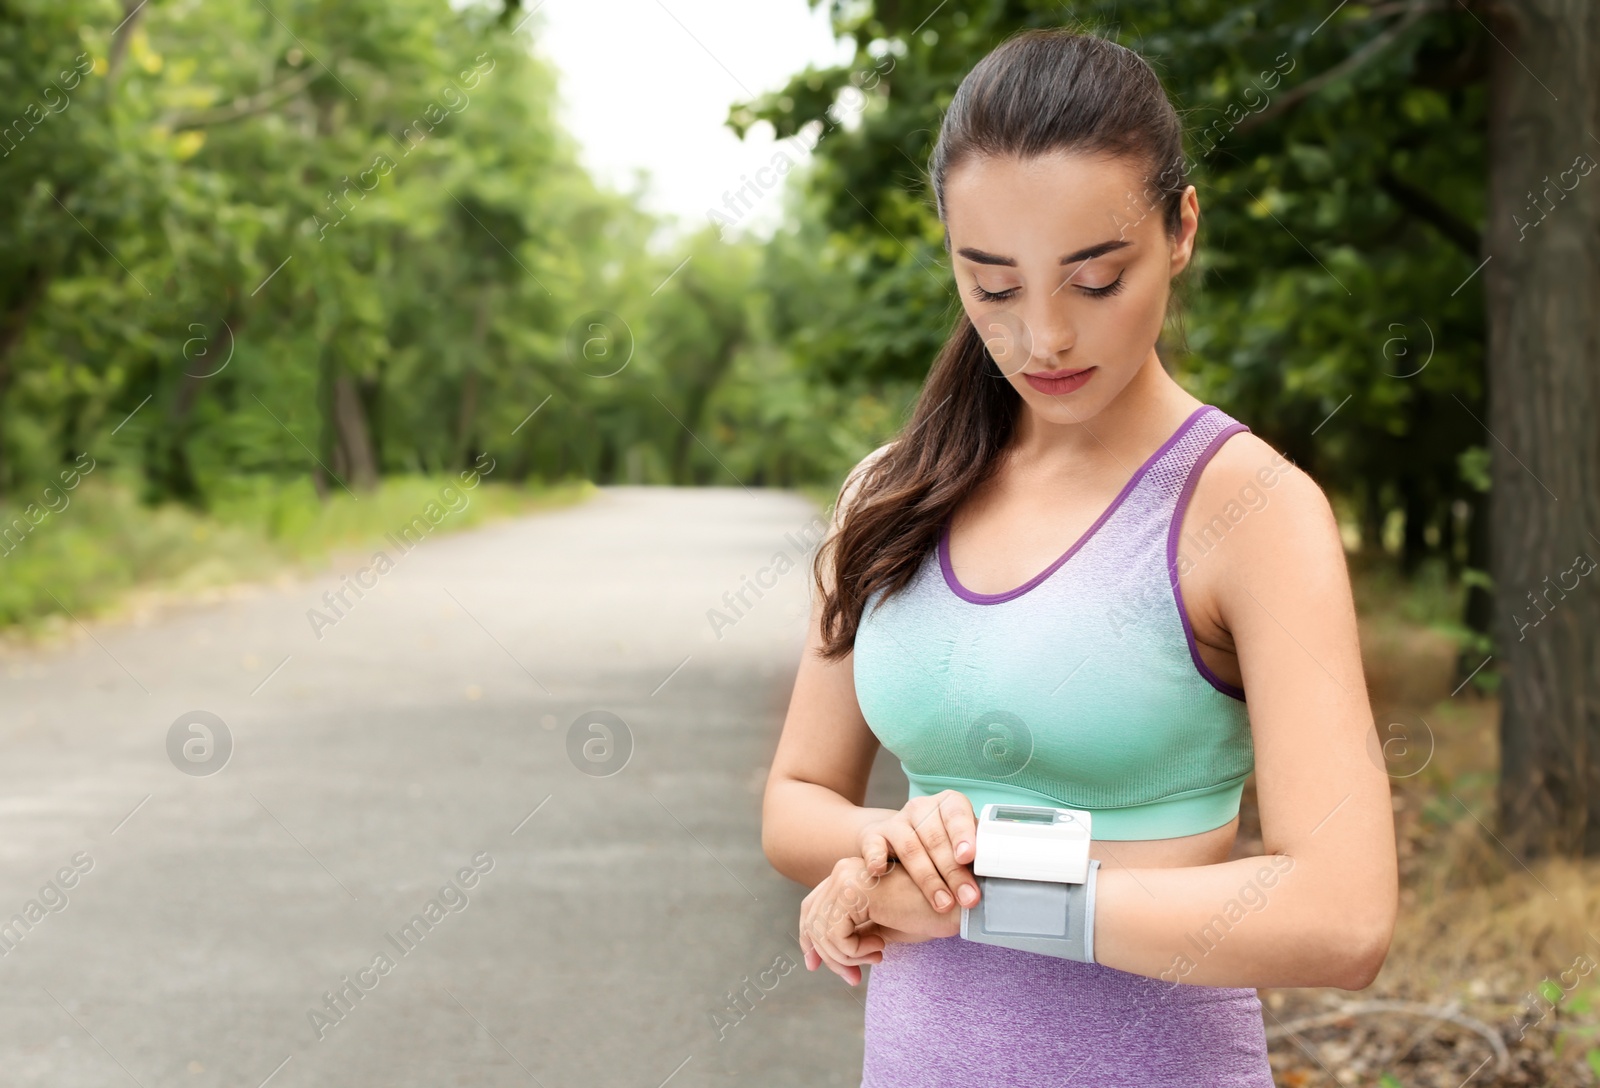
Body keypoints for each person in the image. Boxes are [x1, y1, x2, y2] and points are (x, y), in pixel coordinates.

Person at [759, 26, 1399, 1088]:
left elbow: (1342, 915)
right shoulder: (890, 491)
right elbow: (795, 797)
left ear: (1181, 228)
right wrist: (887, 854)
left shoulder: (1252, 511)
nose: (1044, 337)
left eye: (1095, 278)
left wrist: (987, 883)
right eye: (994, 287)